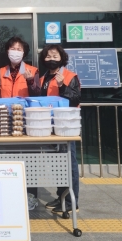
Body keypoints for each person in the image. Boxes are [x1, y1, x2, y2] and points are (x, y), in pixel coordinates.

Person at [0, 36, 42, 210]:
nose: (15, 52)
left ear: (24, 53)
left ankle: (31, 196)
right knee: (11, 159)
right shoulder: (1, 72)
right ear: (7, 51)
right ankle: (12, 194)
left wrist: (30, 81)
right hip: (6, 121)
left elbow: (38, 95)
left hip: (25, 121)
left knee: (29, 159)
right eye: (13, 48)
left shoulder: (32, 70)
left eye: (19, 49)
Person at [37, 44, 82, 215]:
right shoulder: (43, 78)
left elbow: (75, 99)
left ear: (62, 58)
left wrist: (63, 86)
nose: (51, 59)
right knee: (58, 165)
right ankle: (61, 196)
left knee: (69, 163)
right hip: (50, 127)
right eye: (48, 56)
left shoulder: (70, 76)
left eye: (55, 56)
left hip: (65, 127)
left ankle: (71, 201)